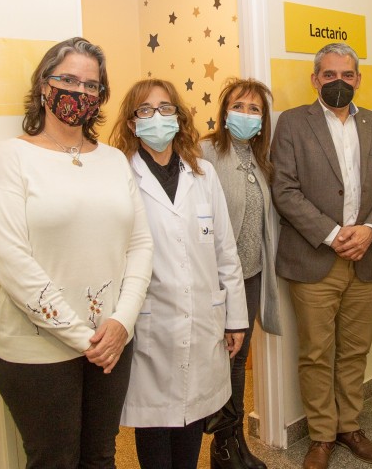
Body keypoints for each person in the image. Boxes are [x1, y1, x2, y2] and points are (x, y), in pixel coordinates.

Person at [0, 37, 154, 469]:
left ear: (100, 97)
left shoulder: (113, 161)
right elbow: (10, 260)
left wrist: (120, 324)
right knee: (54, 461)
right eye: (67, 80)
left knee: (100, 456)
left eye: (91, 86)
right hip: (38, 351)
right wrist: (83, 339)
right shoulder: (12, 157)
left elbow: (141, 244)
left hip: (112, 343)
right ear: (44, 86)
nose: (79, 92)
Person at [270, 43, 372, 469]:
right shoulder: (292, 124)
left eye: (347, 75)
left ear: (358, 79)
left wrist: (369, 231)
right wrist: (332, 235)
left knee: (354, 350)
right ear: (315, 79)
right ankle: (322, 434)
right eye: (329, 75)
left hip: (366, 257)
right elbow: (284, 190)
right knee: (315, 352)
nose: (339, 82)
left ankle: (350, 425)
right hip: (314, 259)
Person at [111, 79, 248, 469]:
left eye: (166, 108)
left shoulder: (202, 173)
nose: (157, 117)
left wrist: (235, 318)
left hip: (204, 318)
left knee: (193, 416)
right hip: (150, 322)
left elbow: (226, 251)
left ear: (179, 116)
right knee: (154, 424)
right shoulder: (121, 175)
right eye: (145, 110)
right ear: (132, 122)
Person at [201, 77, 283, 469]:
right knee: (219, 360)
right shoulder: (204, 153)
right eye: (239, 106)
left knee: (238, 358)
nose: (246, 115)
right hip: (215, 281)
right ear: (224, 112)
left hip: (250, 276)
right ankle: (223, 445)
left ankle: (230, 447)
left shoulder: (261, 158)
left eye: (254, 109)